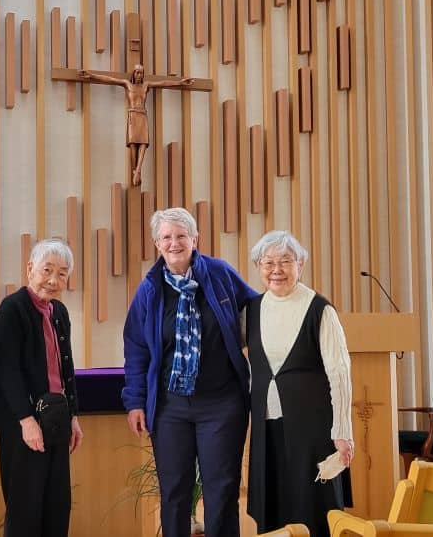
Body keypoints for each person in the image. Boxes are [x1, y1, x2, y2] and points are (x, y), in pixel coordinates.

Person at [122, 207, 256, 537]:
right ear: (157, 243)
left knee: (222, 490)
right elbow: (136, 348)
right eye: (166, 237)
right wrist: (135, 402)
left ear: (195, 239)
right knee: (174, 493)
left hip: (222, 404)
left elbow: (257, 312)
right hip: (170, 407)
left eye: (181, 235)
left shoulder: (220, 274)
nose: (174, 242)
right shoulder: (150, 290)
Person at [245, 231, 353, 537]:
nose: (276, 269)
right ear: (258, 266)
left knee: (313, 507)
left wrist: (342, 431)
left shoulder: (320, 309)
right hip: (268, 424)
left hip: (314, 426)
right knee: (274, 505)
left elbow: (340, 372)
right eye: (268, 262)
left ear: (301, 264)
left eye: (285, 261)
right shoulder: (252, 309)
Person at [0, 239, 84, 537]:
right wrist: (26, 421)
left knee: (57, 503)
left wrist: (73, 417)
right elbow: (7, 371)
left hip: (56, 419)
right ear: (30, 269)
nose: (54, 280)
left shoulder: (59, 311)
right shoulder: (11, 309)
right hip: (21, 423)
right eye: (47, 270)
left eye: (63, 273)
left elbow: (65, 369)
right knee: (25, 506)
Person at [77, 65, 193, 186]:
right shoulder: (127, 84)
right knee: (132, 144)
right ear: (133, 73)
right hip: (133, 115)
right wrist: (91, 75)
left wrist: (179, 82)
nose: (139, 75)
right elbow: (109, 79)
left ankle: (137, 171)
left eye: (141, 73)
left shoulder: (146, 85)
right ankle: (135, 170)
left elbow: (163, 83)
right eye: (137, 72)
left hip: (142, 115)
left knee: (143, 143)